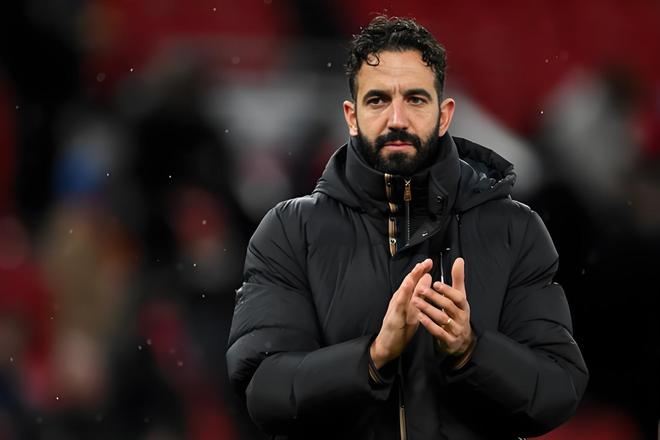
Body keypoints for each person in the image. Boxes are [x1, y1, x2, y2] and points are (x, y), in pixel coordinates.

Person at [226, 15, 588, 440]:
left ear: (444, 114)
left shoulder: (515, 229)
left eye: (415, 99)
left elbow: (557, 391)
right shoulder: (289, 232)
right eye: (378, 100)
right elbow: (264, 391)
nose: (397, 118)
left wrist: (471, 350)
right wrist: (373, 356)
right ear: (351, 116)